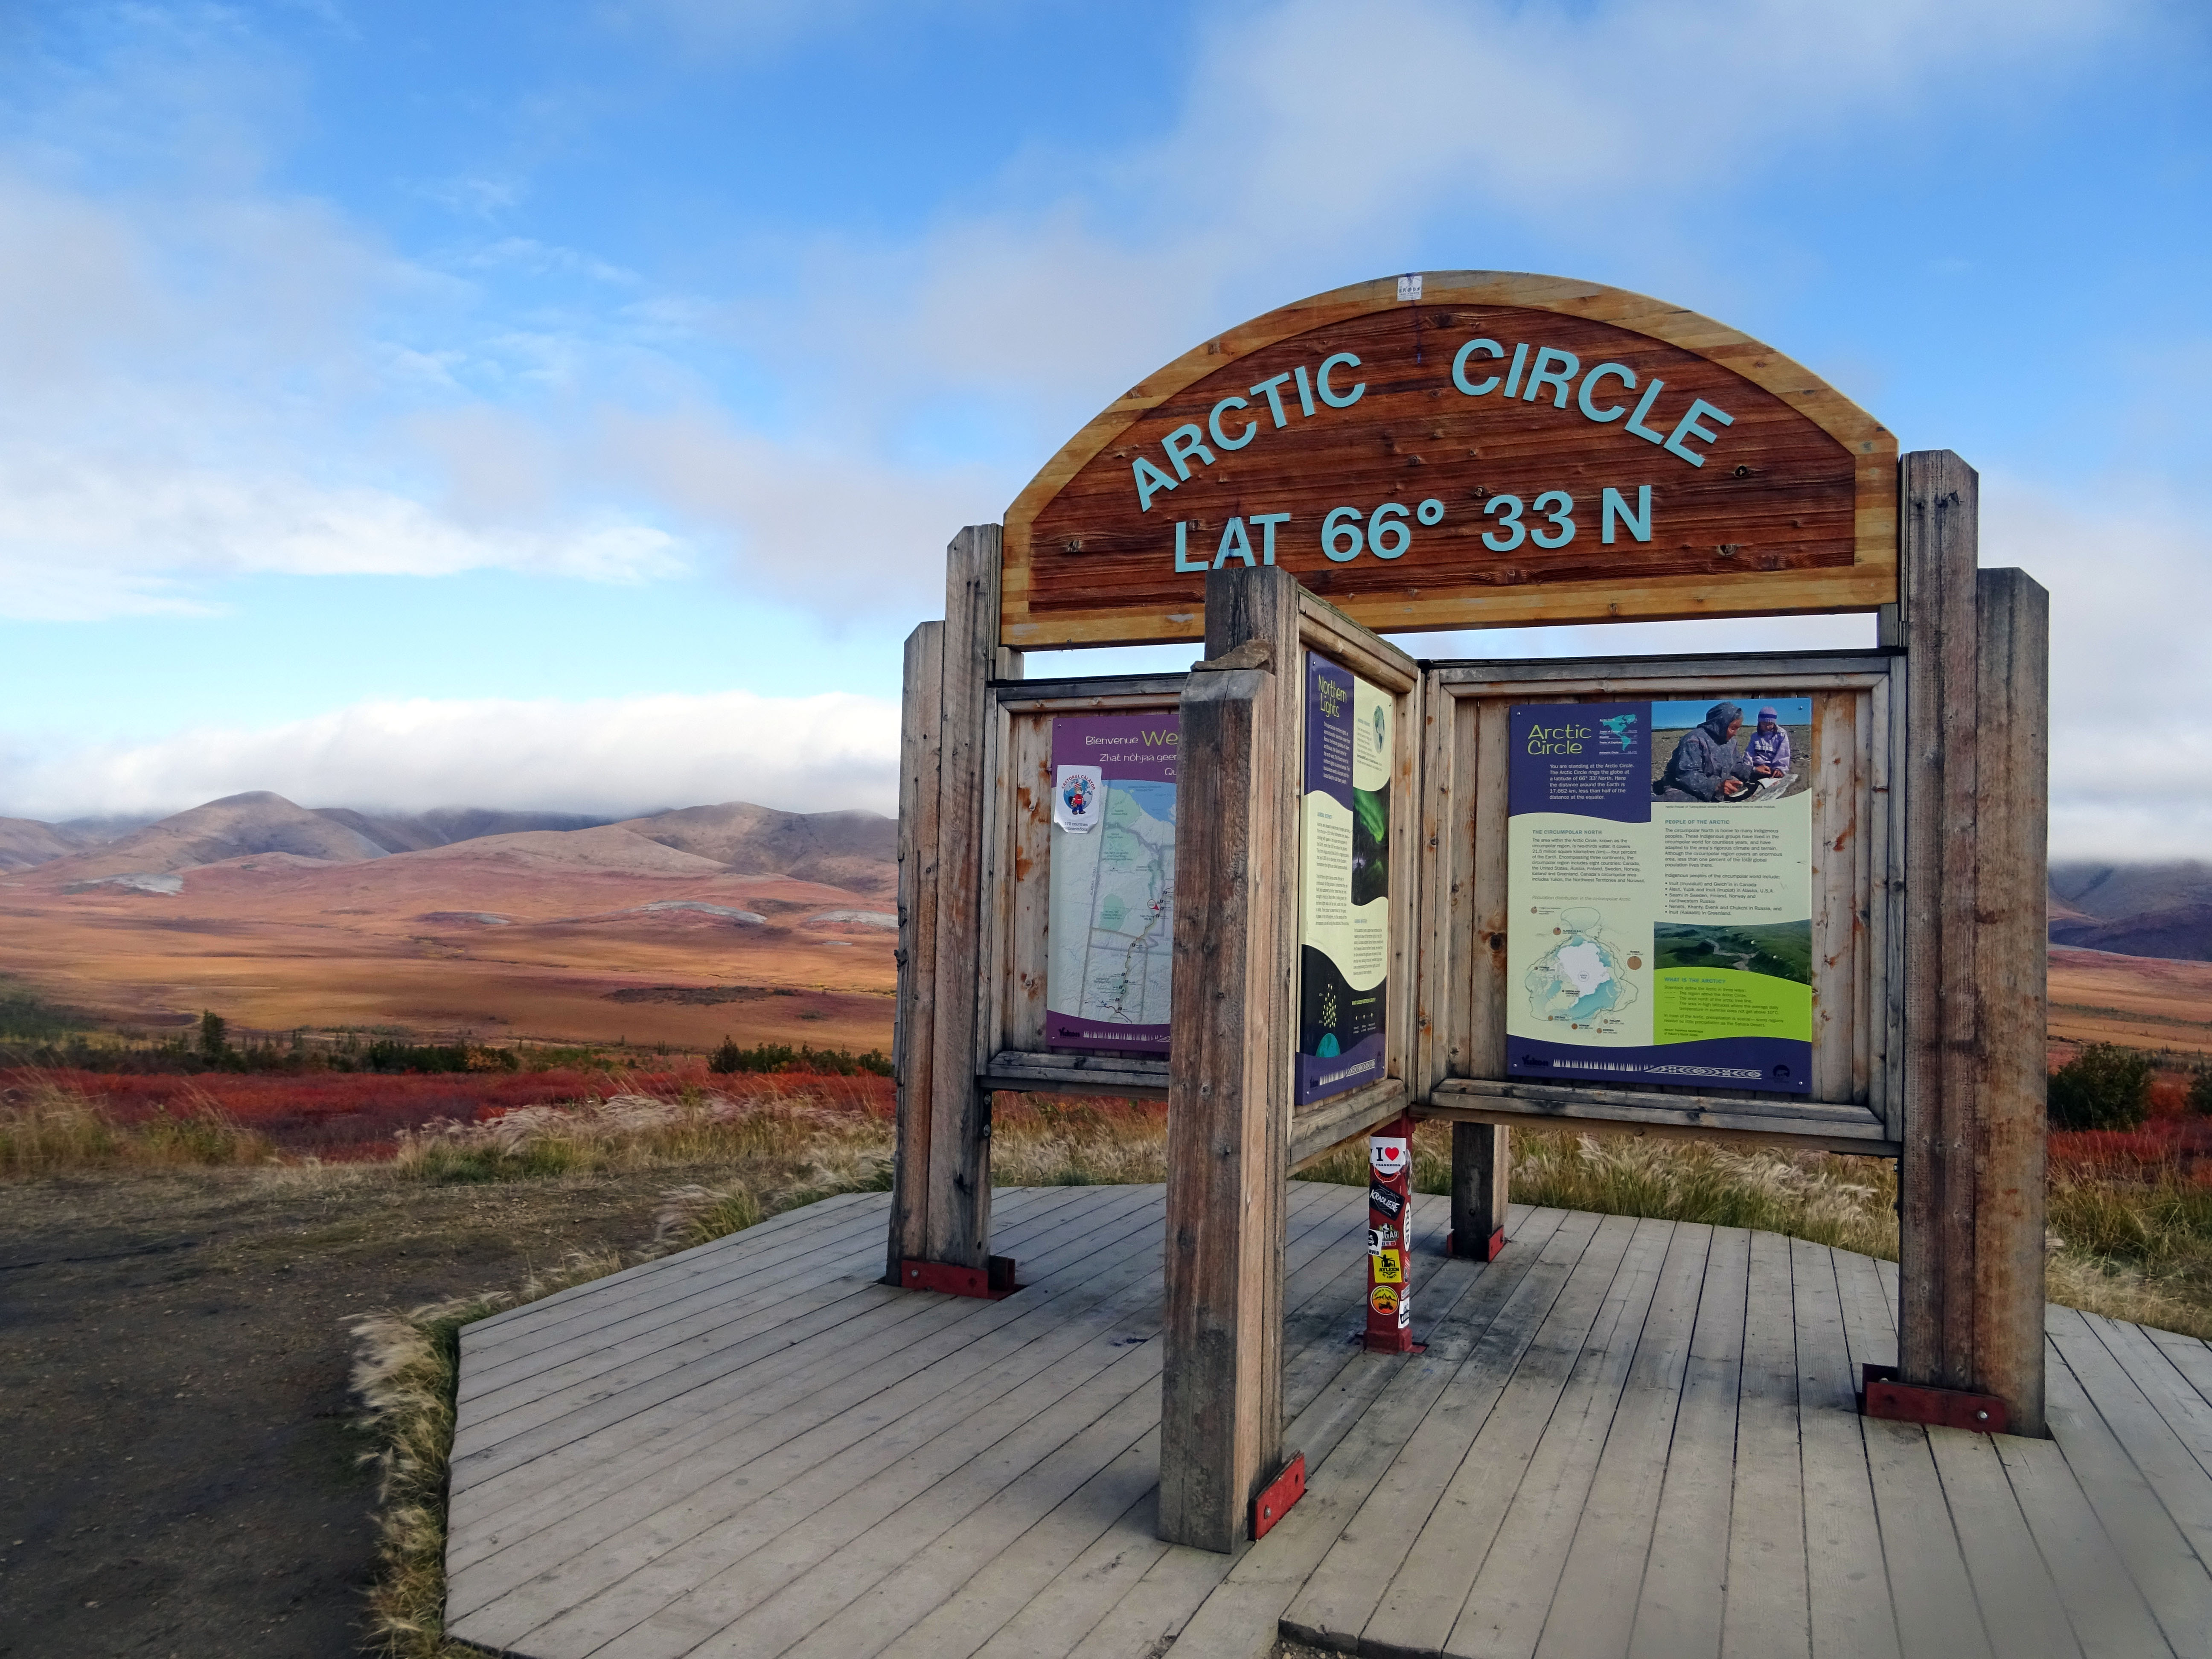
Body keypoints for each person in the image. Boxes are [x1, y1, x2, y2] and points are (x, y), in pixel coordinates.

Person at [1654, 701, 1758, 802]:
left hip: (1717, 784)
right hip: (1684, 786)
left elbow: (1736, 766)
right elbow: (1687, 774)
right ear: (1721, 724)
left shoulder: (1731, 742)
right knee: (1687, 801)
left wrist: (1755, 771)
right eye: (1733, 728)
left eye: (1738, 729)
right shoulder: (1694, 740)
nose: (1735, 733)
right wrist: (1716, 787)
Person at [1745, 706, 1792, 778]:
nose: (1767, 727)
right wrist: (1749, 769)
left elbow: (1783, 754)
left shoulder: (1781, 735)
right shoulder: (1755, 736)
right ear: (1759, 723)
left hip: (1773, 770)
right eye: (1764, 724)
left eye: (1770, 724)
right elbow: (1749, 754)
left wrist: (1780, 769)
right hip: (1757, 769)